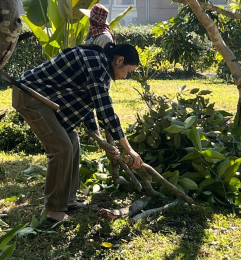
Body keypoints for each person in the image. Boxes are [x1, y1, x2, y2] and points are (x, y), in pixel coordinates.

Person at [12, 43, 143, 221]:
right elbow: (105, 110)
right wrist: (129, 150)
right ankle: (53, 210)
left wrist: (99, 139)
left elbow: (87, 103)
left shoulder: (100, 65)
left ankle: (68, 199)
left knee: (72, 140)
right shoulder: (96, 64)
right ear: (120, 60)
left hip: (43, 99)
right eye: (128, 72)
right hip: (30, 95)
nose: (125, 77)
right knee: (61, 147)